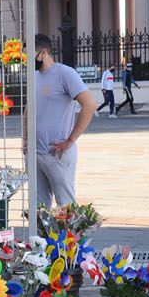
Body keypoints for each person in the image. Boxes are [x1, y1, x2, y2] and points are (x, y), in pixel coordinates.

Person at [27, 34, 97, 208]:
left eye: (29, 54)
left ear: (43, 52)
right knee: (39, 207)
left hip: (56, 152)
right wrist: (25, 141)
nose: (26, 59)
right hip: (34, 152)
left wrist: (70, 140)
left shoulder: (65, 73)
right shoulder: (33, 76)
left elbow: (89, 104)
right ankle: (41, 236)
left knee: (65, 205)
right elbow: (28, 110)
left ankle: (69, 236)